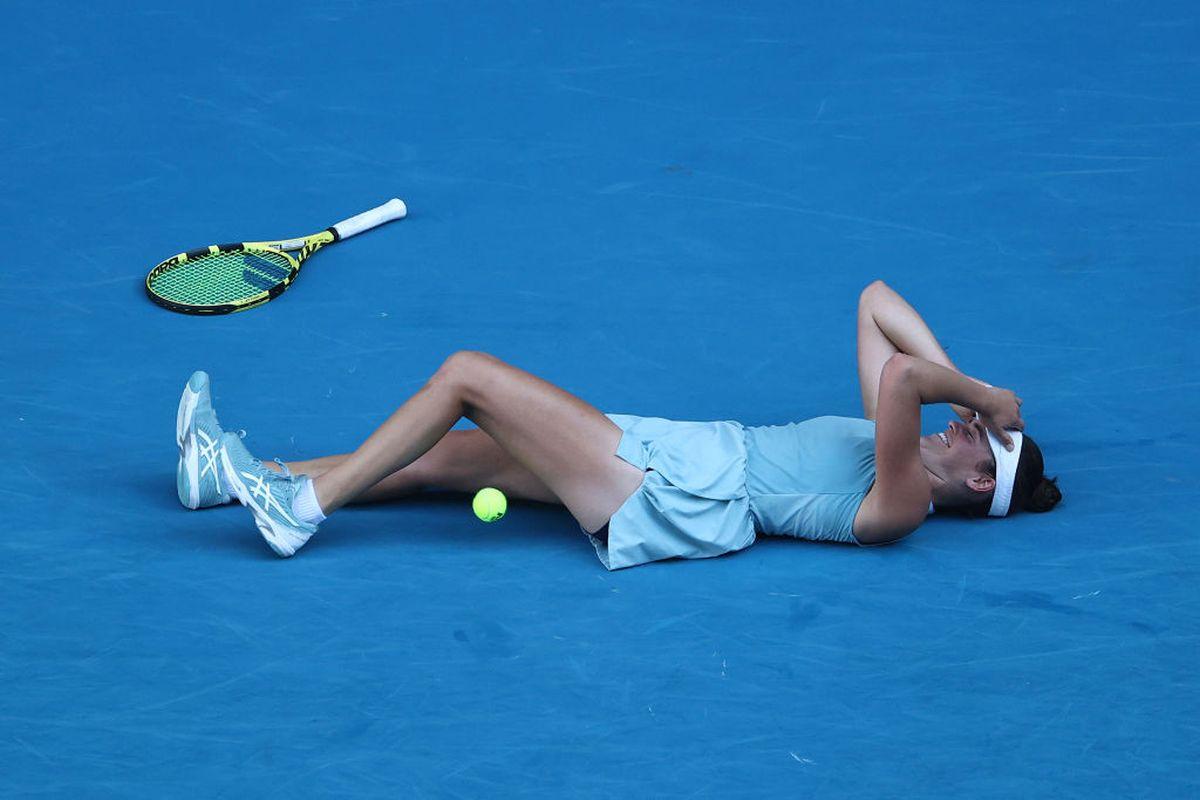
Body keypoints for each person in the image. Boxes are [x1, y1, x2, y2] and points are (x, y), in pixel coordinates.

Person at [175, 280, 1061, 568]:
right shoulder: (898, 440)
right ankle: (233, 477)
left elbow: (908, 372)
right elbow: (876, 303)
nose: (960, 425)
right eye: (967, 422)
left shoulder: (902, 500)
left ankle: (299, 508)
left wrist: (982, 399)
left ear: (980, 482)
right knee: (439, 462)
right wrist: (977, 389)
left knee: (465, 376)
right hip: (665, 451)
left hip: (670, 492)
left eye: (974, 439)